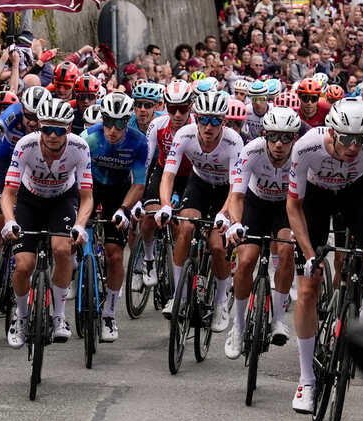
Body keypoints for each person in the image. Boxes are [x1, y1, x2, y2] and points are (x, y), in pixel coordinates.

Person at [287, 97, 363, 413]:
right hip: (315, 198)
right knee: (308, 289)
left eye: (360, 140)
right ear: (331, 132)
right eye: (346, 140)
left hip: (356, 194)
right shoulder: (306, 147)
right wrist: (310, 253)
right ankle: (306, 380)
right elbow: (293, 206)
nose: (354, 147)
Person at [1, 98, 94, 347]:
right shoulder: (25, 145)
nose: (52, 135)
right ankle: (20, 318)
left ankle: (59, 316)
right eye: (47, 129)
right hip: (29, 200)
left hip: (61, 200)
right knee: (23, 265)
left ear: (68, 129)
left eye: (59, 130)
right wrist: (9, 221)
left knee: (62, 249)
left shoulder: (80, 147)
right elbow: (8, 192)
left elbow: (87, 197)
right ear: (39, 126)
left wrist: (81, 225)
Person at [155, 91, 243, 332]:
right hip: (200, 184)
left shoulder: (234, 141)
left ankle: (220, 302)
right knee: (185, 227)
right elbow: (168, 175)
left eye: (216, 120)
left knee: (217, 245)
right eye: (204, 119)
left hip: (226, 191)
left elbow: (237, 188)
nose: (209, 126)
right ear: (195, 118)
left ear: (223, 122)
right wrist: (165, 205)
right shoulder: (184, 135)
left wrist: (224, 214)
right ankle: (179, 297)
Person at [224, 107, 307, 359]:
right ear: (264, 135)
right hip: (255, 204)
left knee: (286, 249)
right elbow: (237, 196)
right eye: (273, 137)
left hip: (286, 207)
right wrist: (236, 222)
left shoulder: (301, 156)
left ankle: (278, 320)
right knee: (246, 260)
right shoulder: (252, 151)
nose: (279, 144)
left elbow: (306, 200)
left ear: (294, 138)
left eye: (286, 138)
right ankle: (237, 327)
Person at [81, 93, 148, 341]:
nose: (113, 129)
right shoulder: (89, 137)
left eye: (120, 123)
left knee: (115, 253)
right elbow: (73, 175)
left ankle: (109, 312)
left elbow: (139, 184)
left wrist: (124, 208)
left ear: (128, 121)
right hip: (89, 186)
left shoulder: (138, 142)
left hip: (119, 192)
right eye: (108, 121)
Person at [0, 86, 51, 266]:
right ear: (22, 109)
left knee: (27, 228)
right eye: (28, 116)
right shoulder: (10, 115)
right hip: (4, 167)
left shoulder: (52, 123)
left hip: (33, 172)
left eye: (37, 118)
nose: (32, 123)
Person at [137, 80, 195, 287]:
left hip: (188, 176)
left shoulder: (197, 126)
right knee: (149, 217)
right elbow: (145, 162)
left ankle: (182, 269)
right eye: (172, 109)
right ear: (166, 107)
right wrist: (138, 197)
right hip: (162, 171)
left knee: (181, 225)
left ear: (190, 107)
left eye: (182, 109)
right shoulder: (157, 125)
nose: (177, 115)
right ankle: (149, 259)